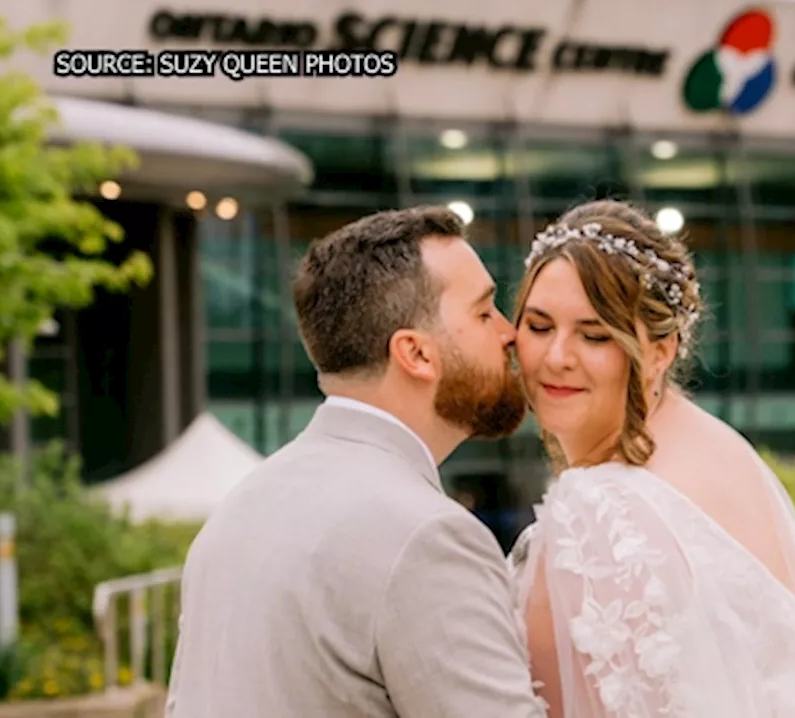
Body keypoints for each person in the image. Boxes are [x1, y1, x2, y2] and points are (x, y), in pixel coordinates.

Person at [507, 200, 795, 717]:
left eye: (595, 335)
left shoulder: (597, 509)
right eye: (539, 326)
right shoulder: (723, 448)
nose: (556, 357)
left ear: (661, 351)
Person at [166, 206, 548, 718]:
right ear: (416, 354)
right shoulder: (429, 537)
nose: (509, 333)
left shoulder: (236, 511)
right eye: (484, 312)